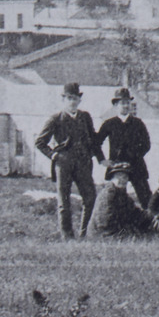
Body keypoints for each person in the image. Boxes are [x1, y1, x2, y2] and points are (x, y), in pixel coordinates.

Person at [35, 82, 105, 239]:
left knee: (90, 198)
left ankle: (85, 233)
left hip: (84, 163)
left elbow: (93, 140)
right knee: (64, 203)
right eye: (69, 98)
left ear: (79, 100)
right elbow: (40, 142)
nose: (72, 102)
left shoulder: (85, 117)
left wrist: (101, 159)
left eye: (75, 99)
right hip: (64, 164)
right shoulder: (55, 119)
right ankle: (67, 236)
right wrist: (54, 156)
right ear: (63, 100)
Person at [95, 87, 153, 208]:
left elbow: (147, 144)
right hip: (117, 167)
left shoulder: (138, 123)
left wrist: (133, 156)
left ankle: (151, 225)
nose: (126, 106)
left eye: (128, 102)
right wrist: (102, 160)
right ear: (116, 105)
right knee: (116, 200)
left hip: (136, 165)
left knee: (147, 200)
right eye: (122, 103)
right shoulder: (109, 124)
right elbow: (96, 143)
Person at [89, 162, 154, 238]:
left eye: (125, 177)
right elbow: (104, 223)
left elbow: (136, 213)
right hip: (102, 235)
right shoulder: (107, 195)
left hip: (115, 233)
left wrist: (153, 217)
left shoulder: (124, 196)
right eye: (119, 176)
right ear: (112, 178)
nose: (122, 180)